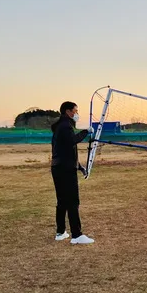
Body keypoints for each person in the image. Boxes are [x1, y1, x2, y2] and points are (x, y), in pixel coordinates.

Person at [51, 101, 94, 244]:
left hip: (59, 167)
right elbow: (73, 141)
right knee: (72, 201)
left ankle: (61, 232)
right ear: (68, 112)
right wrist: (86, 132)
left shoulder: (60, 127)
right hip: (65, 170)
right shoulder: (64, 126)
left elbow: (67, 151)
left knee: (62, 201)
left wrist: (80, 167)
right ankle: (76, 235)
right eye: (75, 111)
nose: (77, 114)